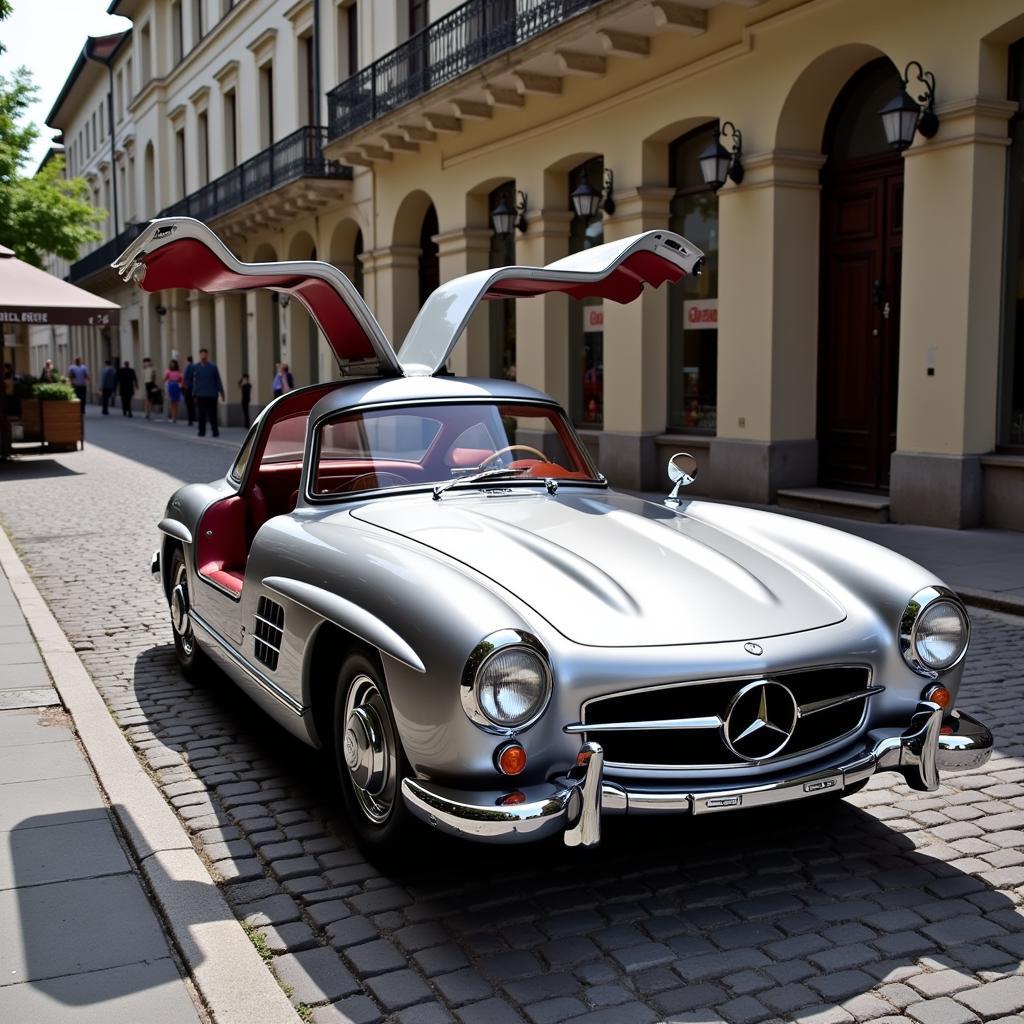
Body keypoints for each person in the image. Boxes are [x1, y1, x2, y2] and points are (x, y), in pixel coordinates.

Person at [191, 348, 224, 438]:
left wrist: (221, 392)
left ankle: (215, 431)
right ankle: (201, 431)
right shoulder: (195, 367)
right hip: (200, 394)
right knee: (201, 415)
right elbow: (195, 382)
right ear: (200, 355)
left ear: (207, 355)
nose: (203, 356)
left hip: (212, 394)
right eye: (202, 354)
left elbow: (218, 380)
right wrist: (194, 394)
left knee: (213, 414)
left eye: (205, 354)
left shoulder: (213, 367)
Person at [164, 359, 183, 423]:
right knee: (172, 402)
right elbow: (165, 379)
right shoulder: (168, 371)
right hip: (171, 385)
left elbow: (181, 379)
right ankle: (173, 417)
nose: (172, 365)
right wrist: (166, 379)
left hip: (176, 386)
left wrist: (181, 384)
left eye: (173, 363)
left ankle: (175, 416)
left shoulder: (179, 371)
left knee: (176, 402)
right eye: (171, 364)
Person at [183, 356, 196, 426]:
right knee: (192, 404)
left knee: (188, 404)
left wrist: (183, 385)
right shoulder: (194, 367)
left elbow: (184, 377)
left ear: (187, 360)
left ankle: (190, 420)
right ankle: (193, 418)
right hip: (194, 387)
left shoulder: (188, 367)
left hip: (188, 387)